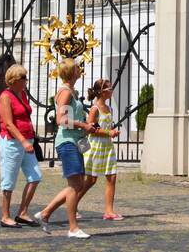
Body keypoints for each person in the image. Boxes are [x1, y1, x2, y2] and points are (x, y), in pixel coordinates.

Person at [35, 59, 98, 238]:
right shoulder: (65, 92)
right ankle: (72, 228)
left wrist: (85, 125)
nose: (80, 70)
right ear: (72, 72)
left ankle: (46, 213)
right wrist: (83, 125)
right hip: (67, 142)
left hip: (74, 141)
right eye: (78, 68)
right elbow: (61, 120)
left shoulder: (72, 92)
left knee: (76, 185)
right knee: (75, 185)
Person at [0, 63, 42, 228]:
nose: (26, 81)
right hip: (12, 143)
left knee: (35, 177)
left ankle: (22, 212)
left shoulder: (22, 94)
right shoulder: (5, 97)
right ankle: (5, 216)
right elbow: (8, 123)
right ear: (14, 79)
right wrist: (22, 140)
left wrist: (29, 139)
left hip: (27, 142)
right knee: (8, 180)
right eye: (23, 78)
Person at [77, 79, 123, 221]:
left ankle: (109, 211)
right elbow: (91, 129)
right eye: (109, 88)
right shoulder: (94, 109)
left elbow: (104, 127)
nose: (112, 90)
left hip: (107, 147)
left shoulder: (110, 109)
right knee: (91, 180)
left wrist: (111, 131)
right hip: (95, 147)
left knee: (112, 177)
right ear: (102, 92)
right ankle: (73, 203)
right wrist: (108, 132)